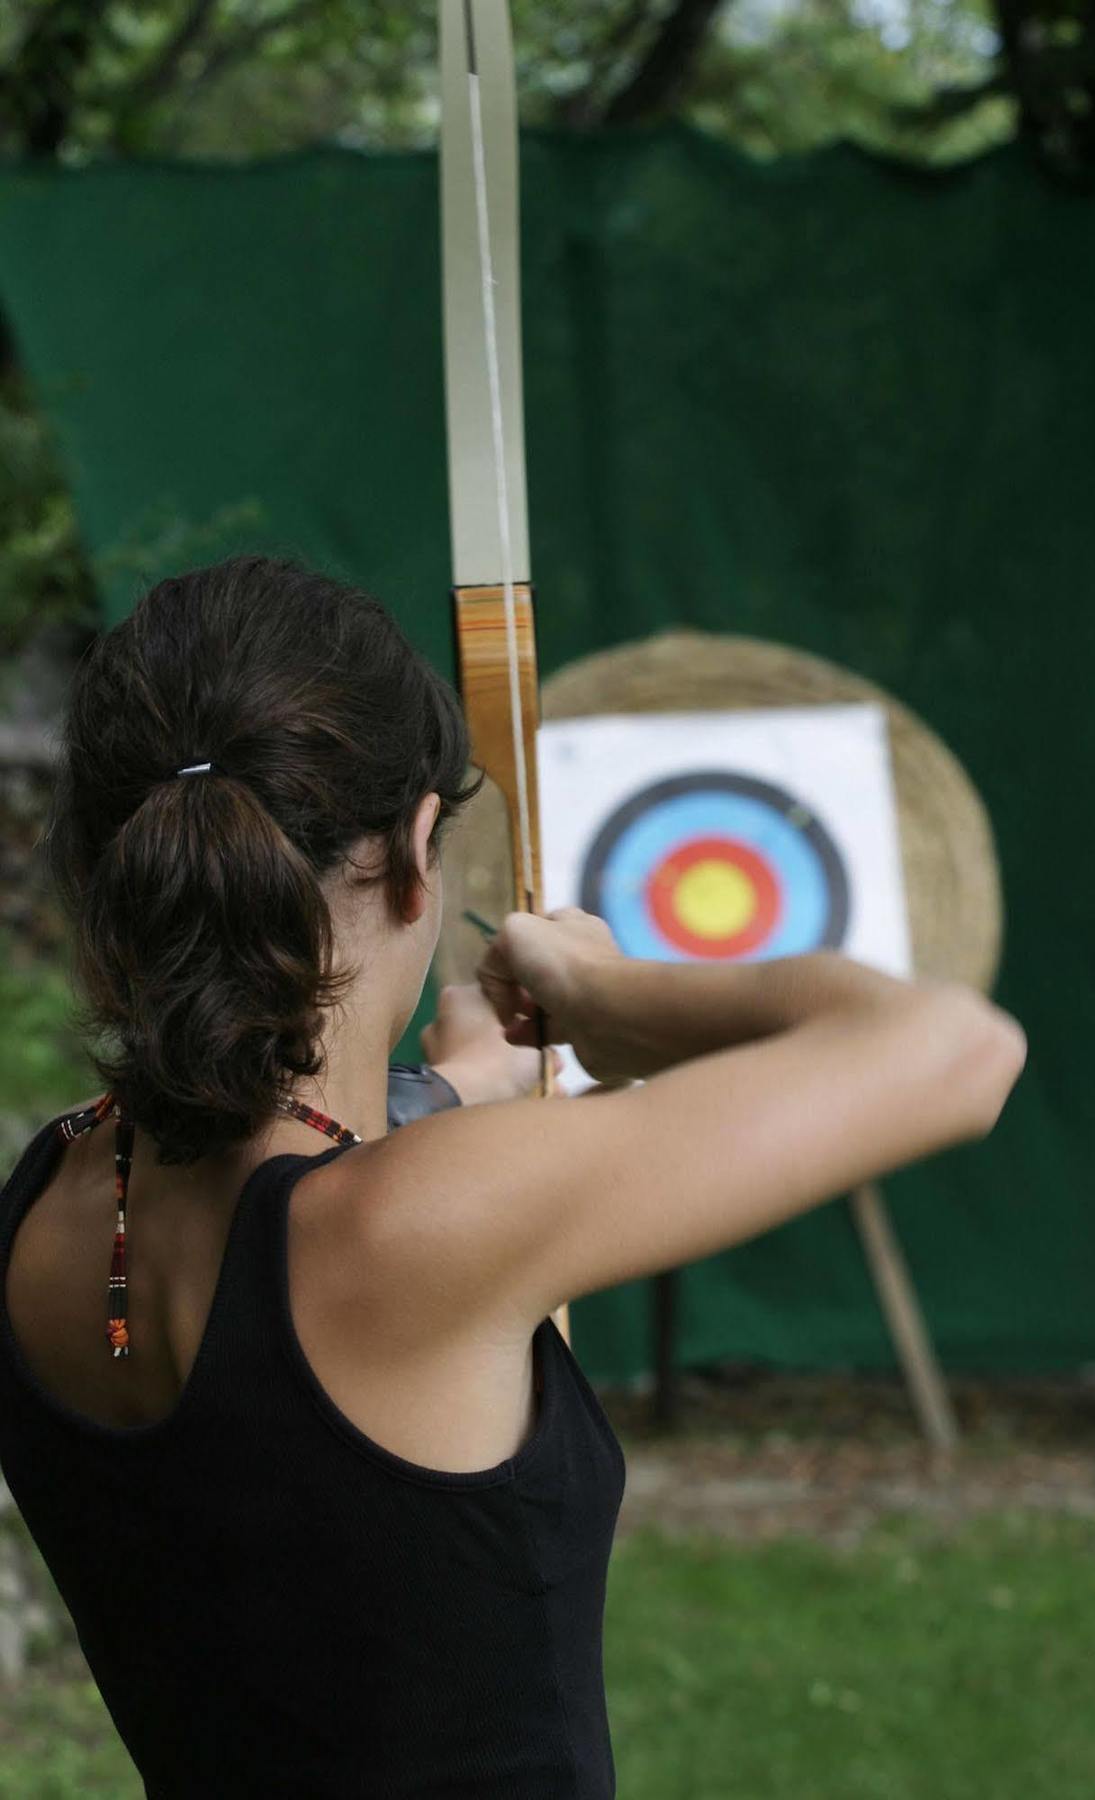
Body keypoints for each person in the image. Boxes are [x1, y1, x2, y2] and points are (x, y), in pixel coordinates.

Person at [0, 555, 1026, 1798]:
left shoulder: (50, 1203)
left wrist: (462, 1092)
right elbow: (956, 1051)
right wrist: (613, 995)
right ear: (419, 851)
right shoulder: (425, 1226)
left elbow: (282, 1251)